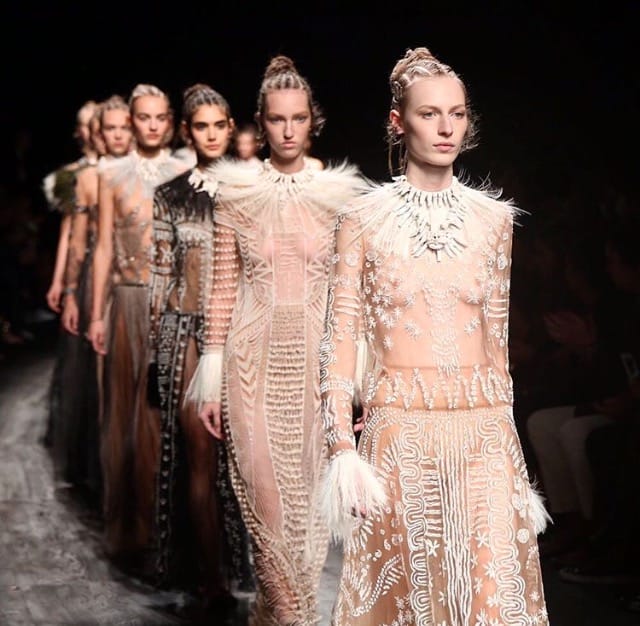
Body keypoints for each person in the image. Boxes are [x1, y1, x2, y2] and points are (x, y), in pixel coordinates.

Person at [319, 47, 550, 625]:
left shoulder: (495, 221)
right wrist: (342, 450)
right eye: (429, 114)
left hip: (484, 436)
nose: (446, 127)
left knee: (491, 604)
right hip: (400, 435)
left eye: (457, 113)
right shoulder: (361, 220)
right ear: (398, 122)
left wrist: (515, 462)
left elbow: (497, 348)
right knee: (412, 604)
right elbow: (340, 337)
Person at [186, 55, 366, 624]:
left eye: (299, 118)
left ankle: (281, 616)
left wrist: (355, 382)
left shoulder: (340, 195)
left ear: (314, 121)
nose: (288, 130)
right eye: (276, 119)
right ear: (260, 123)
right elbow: (221, 290)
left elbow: (351, 297)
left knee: (308, 525)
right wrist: (211, 380)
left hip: (315, 370)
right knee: (266, 513)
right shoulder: (236, 192)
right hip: (249, 369)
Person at [148, 83, 251, 611]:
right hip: (188, 335)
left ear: (231, 128)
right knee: (200, 458)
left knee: (251, 462)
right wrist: (155, 354)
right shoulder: (170, 195)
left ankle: (263, 575)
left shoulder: (254, 187)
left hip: (246, 335)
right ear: (188, 133)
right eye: (201, 127)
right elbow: (161, 276)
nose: (211, 135)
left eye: (219, 125)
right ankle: (211, 578)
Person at [87, 84, 186, 575]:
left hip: (170, 304)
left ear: (169, 122)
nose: (151, 125)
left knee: (164, 417)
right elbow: (104, 247)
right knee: (125, 419)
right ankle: (132, 530)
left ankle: (166, 534)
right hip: (127, 301)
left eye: (159, 117)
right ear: (132, 121)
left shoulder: (184, 171)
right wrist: (96, 313)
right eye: (143, 117)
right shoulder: (111, 175)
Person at [57, 96, 133, 505]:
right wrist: (70, 292)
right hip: (100, 282)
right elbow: (76, 241)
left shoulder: (145, 172)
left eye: (124, 127)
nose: (118, 136)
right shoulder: (89, 178)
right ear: (99, 135)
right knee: (102, 382)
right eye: (111, 129)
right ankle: (107, 480)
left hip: (137, 283)